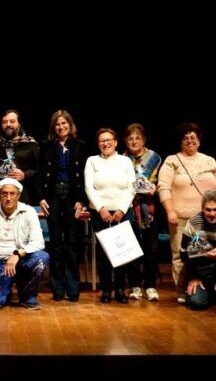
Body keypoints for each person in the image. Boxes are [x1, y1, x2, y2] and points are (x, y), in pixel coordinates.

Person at [158, 122, 216, 304]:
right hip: (180, 218)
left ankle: (207, 287)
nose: (190, 141)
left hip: (208, 217)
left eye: (193, 138)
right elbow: (163, 187)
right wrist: (170, 210)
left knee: (209, 253)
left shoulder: (209, 160)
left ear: (199, 141)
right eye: (186, 138)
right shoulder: (172, 160)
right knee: (180, 254)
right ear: (180, 142)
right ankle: (182, 290)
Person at [37, 109, 89, 302]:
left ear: (70, 125)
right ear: (53, 127)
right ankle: (58, 290)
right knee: (56, 245)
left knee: (73, 244)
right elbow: (40, 173)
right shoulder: (47, 146)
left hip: (73, 198)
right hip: (52, 199)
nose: (61, 127)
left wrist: (82, 200)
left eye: (64, 123)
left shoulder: (80, 146)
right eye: (57, 124)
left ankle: (73, 289)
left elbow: (86, 176)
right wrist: (41, 197)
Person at [0, 178, 49, 310]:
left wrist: (17, 254)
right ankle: (5, 289)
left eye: (12, 194)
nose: (8, 198)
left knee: (41, 257)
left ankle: (27, 296)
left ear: (19, 195)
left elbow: (38, 242)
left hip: (21, 261)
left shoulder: (29, 211)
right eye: (4, 194)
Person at [84, 128, 136, 304]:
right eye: (102, 141)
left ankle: (120, 289)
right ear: (98, 144)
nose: (106, 143)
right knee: (104, 253)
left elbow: (132, 187)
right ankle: (106, 289)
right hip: (100, 213)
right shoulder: (92, 161)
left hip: (122, 211)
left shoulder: (125, 161)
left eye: (109, 140)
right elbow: (89, 187)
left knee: (122, 253)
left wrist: (121, 209)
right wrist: (101, 209)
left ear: (115, 142)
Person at [122, 123, 162, 302]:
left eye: (138, 138)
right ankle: (135, 285)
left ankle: (151, 285)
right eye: (130, 138)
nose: (134, 141)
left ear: (144, 139)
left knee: (151, 248)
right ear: (125, 141)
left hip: (149, 209)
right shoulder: (122, 158)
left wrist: (153, 187)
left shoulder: (154, 157)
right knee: (132, 248)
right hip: (129, 208)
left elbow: (159, 182)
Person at [0, 109, 39, 209]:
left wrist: (25, 175)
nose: (8, 124)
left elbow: (41, 172)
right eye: (4, 122)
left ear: (19, 124)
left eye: (12, 121)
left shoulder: (30, 144)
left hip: (23, 201)